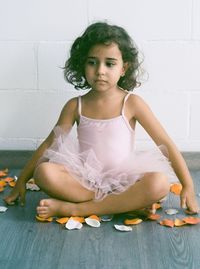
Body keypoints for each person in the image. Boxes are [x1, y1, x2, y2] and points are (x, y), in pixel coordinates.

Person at [4, 22, 199, 218]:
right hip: (85, 180)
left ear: (124, 68)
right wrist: (22, 180)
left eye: (110, 63)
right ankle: (122, 204)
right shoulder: (75, 105)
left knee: (159, 183)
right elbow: (50, 144)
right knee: (43, 173)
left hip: (124, 179)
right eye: (92, 62)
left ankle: (75, 209)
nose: (100, 71)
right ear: (82, 64)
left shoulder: (132, 103)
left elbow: (164, 143)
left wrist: (188, 185)